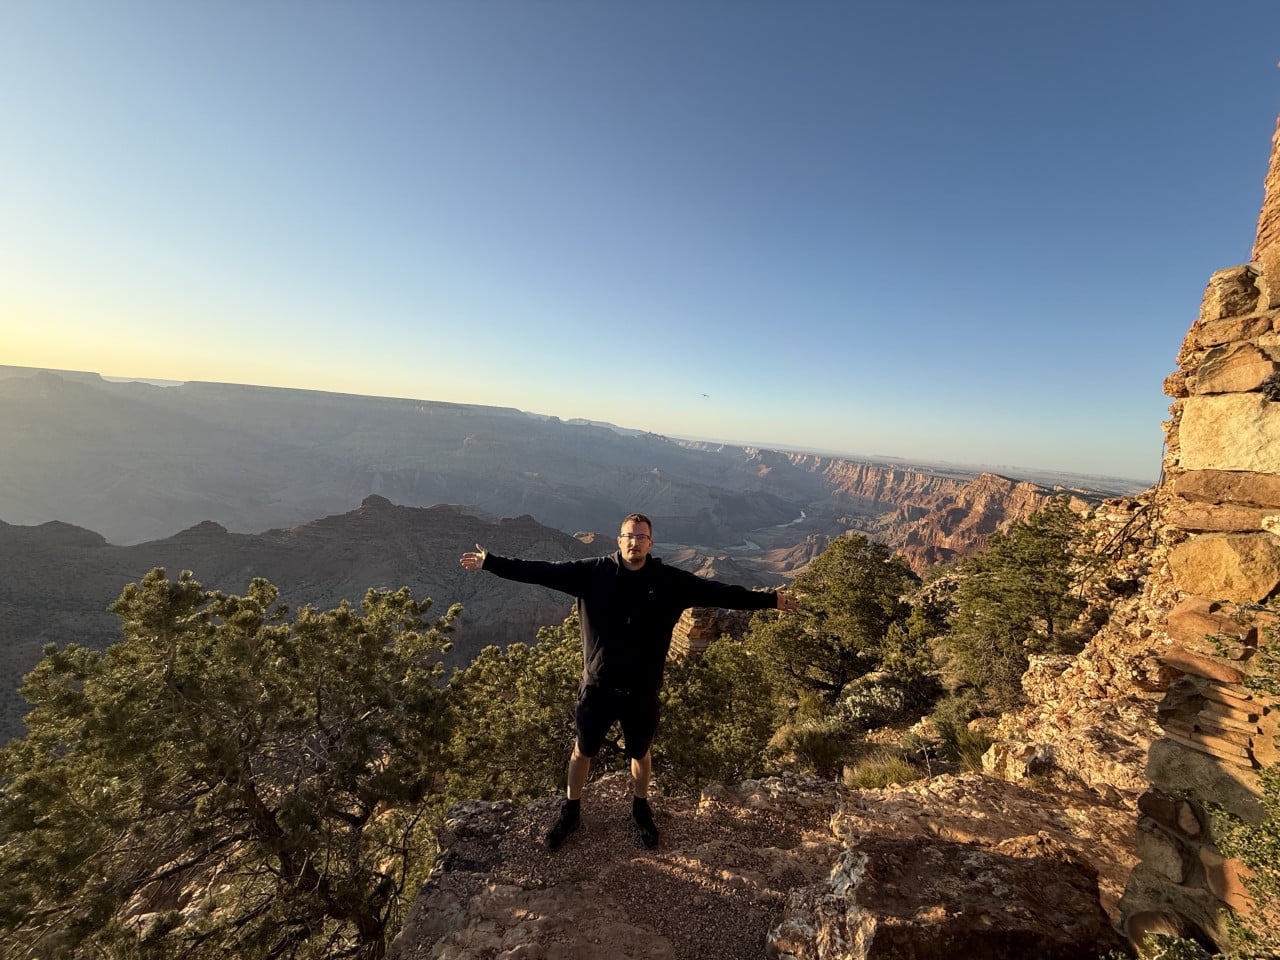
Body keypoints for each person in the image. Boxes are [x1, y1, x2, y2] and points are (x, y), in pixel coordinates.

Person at [460, 512, 797, 852]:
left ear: (650, 543)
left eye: (641, 537)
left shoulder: (669, 581)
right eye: (629, 536)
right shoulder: (592, 573)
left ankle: (640, 806)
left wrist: (769, 600)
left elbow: (719, 593)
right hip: (598, 687)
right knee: (582, 751)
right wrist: (491, 563)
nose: (634, 542)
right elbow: (541, 571)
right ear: (619, 540)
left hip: (642, 690)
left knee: (640, 752)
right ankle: (571, 809)